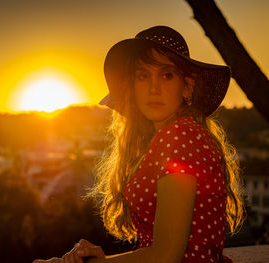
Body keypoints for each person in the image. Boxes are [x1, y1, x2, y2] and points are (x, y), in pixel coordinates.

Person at [33, 25, 246, 263]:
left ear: (186, 86)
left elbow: (166, 255)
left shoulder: (179, 136)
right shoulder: (170, 138)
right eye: (143, 75)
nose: (154, 89)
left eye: (167, 75)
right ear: (132, 88)